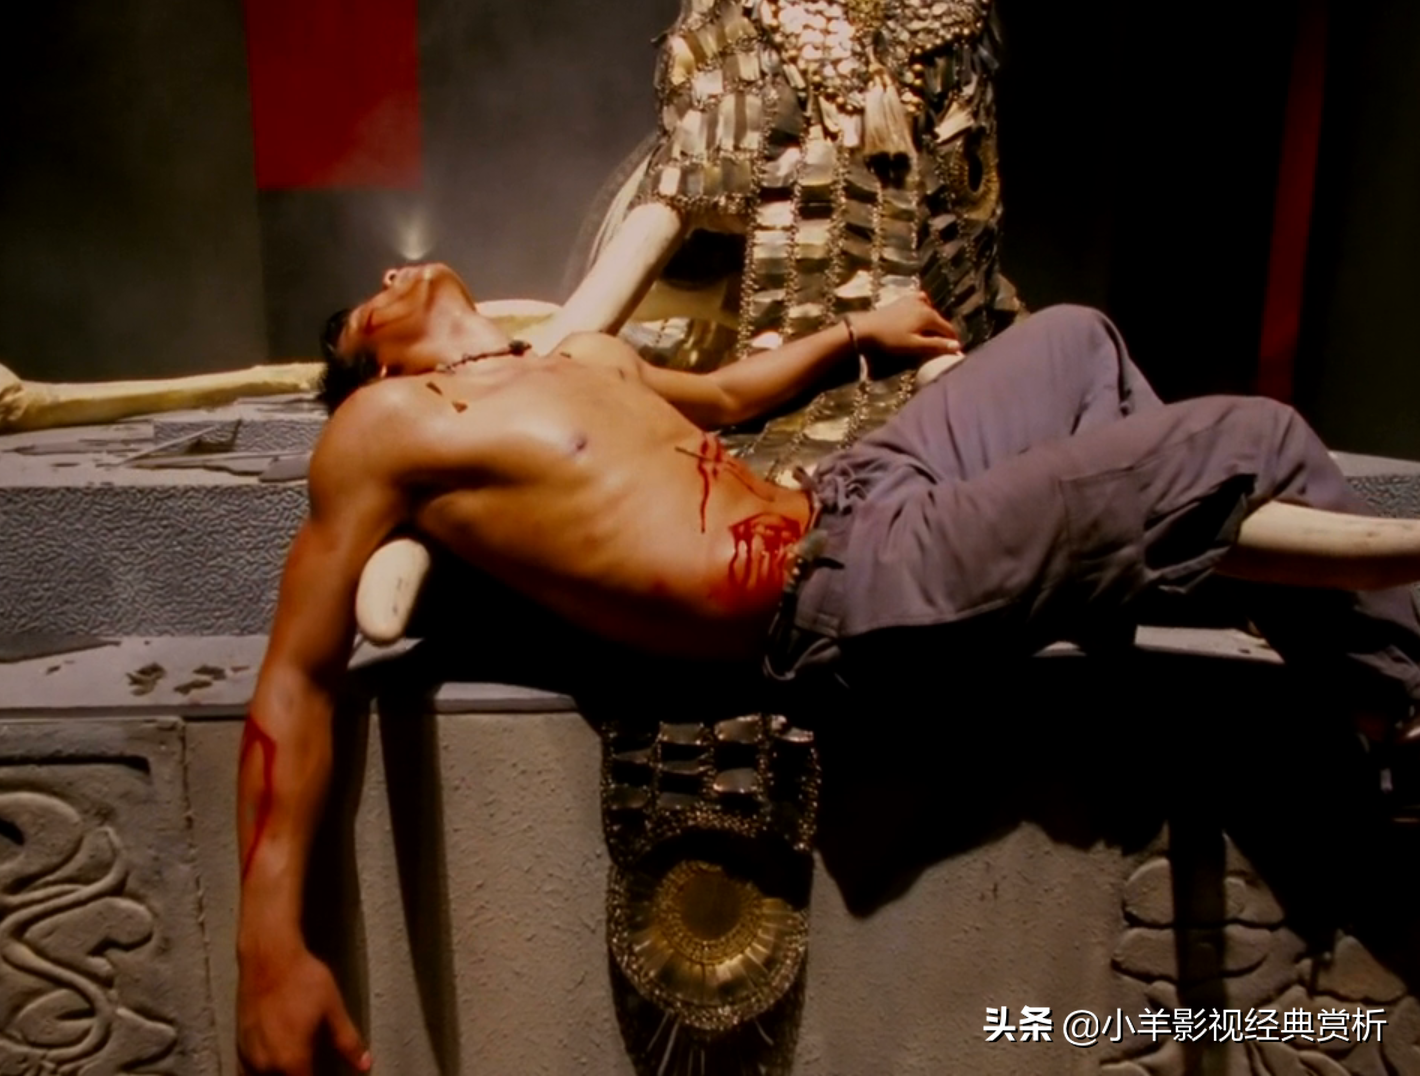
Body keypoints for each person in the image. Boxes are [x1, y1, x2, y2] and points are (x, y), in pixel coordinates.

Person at [235, 262, 1420, 1075]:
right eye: (363, 306)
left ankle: (1144, 537)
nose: (389, 274)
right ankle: (1401, 727)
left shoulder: (581, 356)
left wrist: (859, 333)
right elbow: (295, 678)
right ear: (370, 368)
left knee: (1074, 340)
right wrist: (269, 950)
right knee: (1251, 438)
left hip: (850, 497)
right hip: (836, 595)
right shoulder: (386, 430)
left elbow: (728, 395)